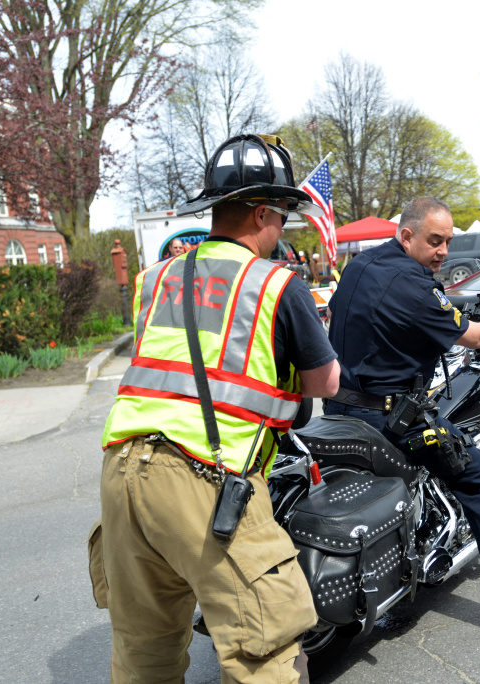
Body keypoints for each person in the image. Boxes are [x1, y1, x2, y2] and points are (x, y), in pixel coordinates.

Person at [92, 133, 340, 683]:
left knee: (143, 655)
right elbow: (326, 382)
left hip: (123, 475)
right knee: (265, 652)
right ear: (259, 214)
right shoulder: (276, 283)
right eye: (282, 216)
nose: (283, 231)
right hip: (207, 480)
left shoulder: (153, 280)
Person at [324, 196, 480, 638]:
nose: (442, 251)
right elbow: (471, 336)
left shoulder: (362, 265)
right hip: (391, 419)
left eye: (448, 242)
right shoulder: (417, 287)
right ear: (407, 235)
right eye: (434, 241)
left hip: (339, 407)